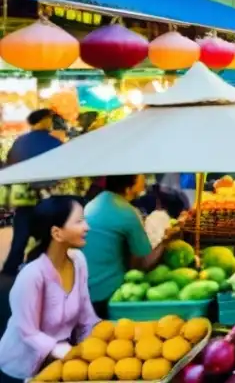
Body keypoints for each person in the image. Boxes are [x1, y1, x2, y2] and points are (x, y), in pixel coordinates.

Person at [0, 197, 100, 381]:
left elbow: (86, 317)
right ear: (57, 233)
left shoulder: (78, 261)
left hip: (56, 364)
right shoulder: (32, 275)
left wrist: (99, 345)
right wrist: (62, 350)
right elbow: (27, 331)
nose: (87, 227)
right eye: (79, 221)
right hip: (19, 368)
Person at [81, 175, 172, 318]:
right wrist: (168, 240)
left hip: (84, 292)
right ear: (131, 183)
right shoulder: (126, 212)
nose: (144, 177)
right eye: (141, 175)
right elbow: (142, 264)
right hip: (107, 295)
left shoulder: (93, 204)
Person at [2, 109, 63, 276]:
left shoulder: (19, 142)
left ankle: (10, 270)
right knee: (49, 235)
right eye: (50, 119)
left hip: (23, 194)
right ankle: (43, 267)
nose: (51, 123)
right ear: (44, 120)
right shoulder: (53, 143)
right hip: (47, 195)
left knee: (20, 235)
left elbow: (10, 163)